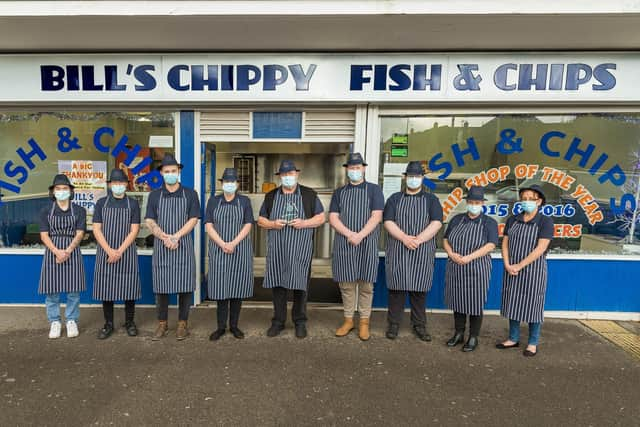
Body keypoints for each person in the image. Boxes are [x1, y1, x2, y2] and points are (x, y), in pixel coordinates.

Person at [257, 160, 325, 339]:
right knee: (278, 286)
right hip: (278, 250)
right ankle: (278, 322)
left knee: (300, 287)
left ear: (297, 174)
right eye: (284, 175)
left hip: (300, 250)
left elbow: (320, 218)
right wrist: (272, 223)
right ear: (280, 177)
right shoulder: (271, 196)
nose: (288, 177)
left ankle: (300, 322)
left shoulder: (309, 195)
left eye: (291, 174)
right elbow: (261, 220)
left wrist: (304, 223)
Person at [383, 161, 443, 341]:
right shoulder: (394, 198)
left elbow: (437, 222)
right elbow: (388, 221)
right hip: (398, 249)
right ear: (404, 177)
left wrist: (418, 240)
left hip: (422, 250)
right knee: (396, 290)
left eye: (417, 177)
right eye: (411, 176)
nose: (414, 180)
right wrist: (405, 238)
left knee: (419, 291)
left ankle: (419, 325)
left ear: (422, 179)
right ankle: (393, 324)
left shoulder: (432, 200)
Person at [145, 154, 200, 340]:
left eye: (173, 171)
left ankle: (182, 324)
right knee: (161, 288)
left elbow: (193, 219)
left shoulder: (191, 194)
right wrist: (163, 236)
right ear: (161, 173)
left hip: (182, 245)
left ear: (179, 172)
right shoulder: (154, 195)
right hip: (162, 246)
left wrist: (176, 236)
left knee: (185, 288)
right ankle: (162, 324)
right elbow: (149, 220)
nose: (170, 174)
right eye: (167, 171)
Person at [329, 153, 384, 341]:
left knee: (366, 285)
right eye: (351, 168)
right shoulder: (339, 192)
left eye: (357, 167)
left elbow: (376, 216)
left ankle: (364, 322)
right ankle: (348, 320)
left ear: (364, 168)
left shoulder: (374, 190)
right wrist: (349, 234)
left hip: (367, 242)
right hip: (345, 243)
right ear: (346, 170)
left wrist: (360, 235)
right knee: (346, 284)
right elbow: (333, 218)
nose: (354, 171)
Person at [497, 185, 554, 357]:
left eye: (531, 198)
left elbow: (541, 248)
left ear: (539, 201)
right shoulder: (512, 220)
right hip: (511, 269)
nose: (527, 201)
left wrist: (520, 265)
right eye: (524, 198)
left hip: (533, 271)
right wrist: (507, 264)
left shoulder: (545, 221)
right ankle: (513, 338)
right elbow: (505, 243)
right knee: (512, 302)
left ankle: (532, 343)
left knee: (533, 306)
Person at [443, 186, 498, 352]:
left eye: (477, 202)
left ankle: (473, 336)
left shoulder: (489, 222)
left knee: (475, 303)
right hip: (455, 266)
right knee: (457, 301)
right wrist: (451, 253)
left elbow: (490, 245)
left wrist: (469, 257)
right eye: (471, 202)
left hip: (477, 268)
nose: (474, 205)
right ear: (467, 202)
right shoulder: (456, 219)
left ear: (482, 203)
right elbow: (445, 239)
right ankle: (459, 333)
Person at [205, 168, 254, 341]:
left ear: (237, 184)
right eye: (226, 182)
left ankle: (234, 326)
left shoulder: (244, 201)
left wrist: (233, 243)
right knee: (220, 289)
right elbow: (209, 225)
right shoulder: (213, 201)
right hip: (219, 250)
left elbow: (248, 224)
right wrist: (223, 243)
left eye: (232, 182)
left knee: (236, 289)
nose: (229, 185)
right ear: (222, 184)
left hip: (239, 249)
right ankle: (220, 327)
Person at [92, 169, 142, 339]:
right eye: (115, 183)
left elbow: (134, 230)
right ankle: (108, 324)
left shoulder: (133, 204)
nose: (118, 186)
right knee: (106, 290)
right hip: (105, 252)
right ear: (110, 185)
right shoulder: (101, 203)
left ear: (126, 185)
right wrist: (109, 250)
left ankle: (129, 322)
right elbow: (96, 229)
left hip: (126, 252)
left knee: (129, 288)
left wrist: (119, 251)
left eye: (121, 183)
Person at [38, 174, 87, 339]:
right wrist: (57, 251)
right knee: (52, 290)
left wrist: (67, 251)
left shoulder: (79, 210)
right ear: (53, 191)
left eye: (64, 188)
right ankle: (55, 322)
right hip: (52, 251)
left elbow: (80, 234)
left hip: (72, 250)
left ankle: (72, 320)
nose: (61, 191)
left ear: (70, 191)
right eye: (58, 189)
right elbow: (44, 235)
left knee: (73, 290)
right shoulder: (46, 211)